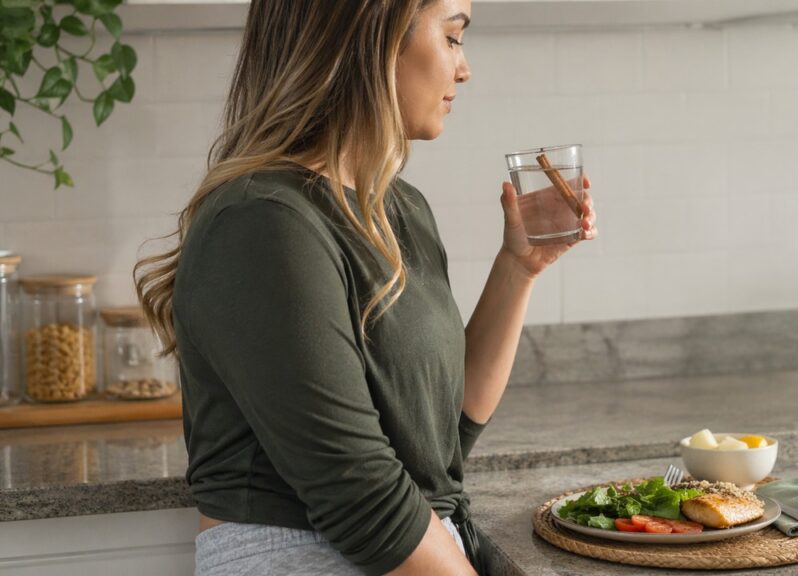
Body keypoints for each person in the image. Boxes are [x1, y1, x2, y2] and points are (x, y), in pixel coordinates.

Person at [134, 1, 597, 574]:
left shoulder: (398, 207)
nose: (464, 68)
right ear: (373, 39)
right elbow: (361, 497)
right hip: (306, 557)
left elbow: (441, 440)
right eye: (453, 38)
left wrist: (518, 267)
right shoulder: (262, 221)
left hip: (410, 547)